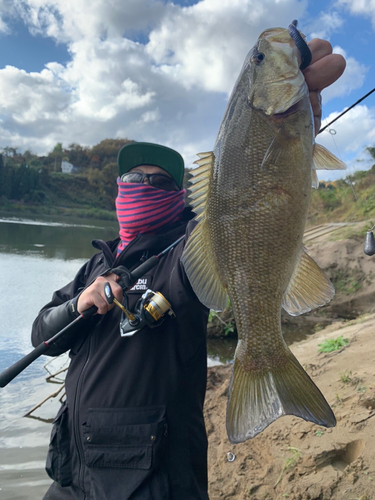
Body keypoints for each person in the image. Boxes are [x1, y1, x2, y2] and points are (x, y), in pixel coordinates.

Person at [32, 38, 346, 500]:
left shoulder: (184, 252)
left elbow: (231, 218)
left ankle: (265, 360)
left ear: (180, 196)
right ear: (118, 189)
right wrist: (81, 303)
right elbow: (42, 336)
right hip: (70, 476)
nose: (145, 185)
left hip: (150, 484)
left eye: (159, 181)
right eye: (134, 178)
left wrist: (295, 136)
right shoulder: (95, 265)